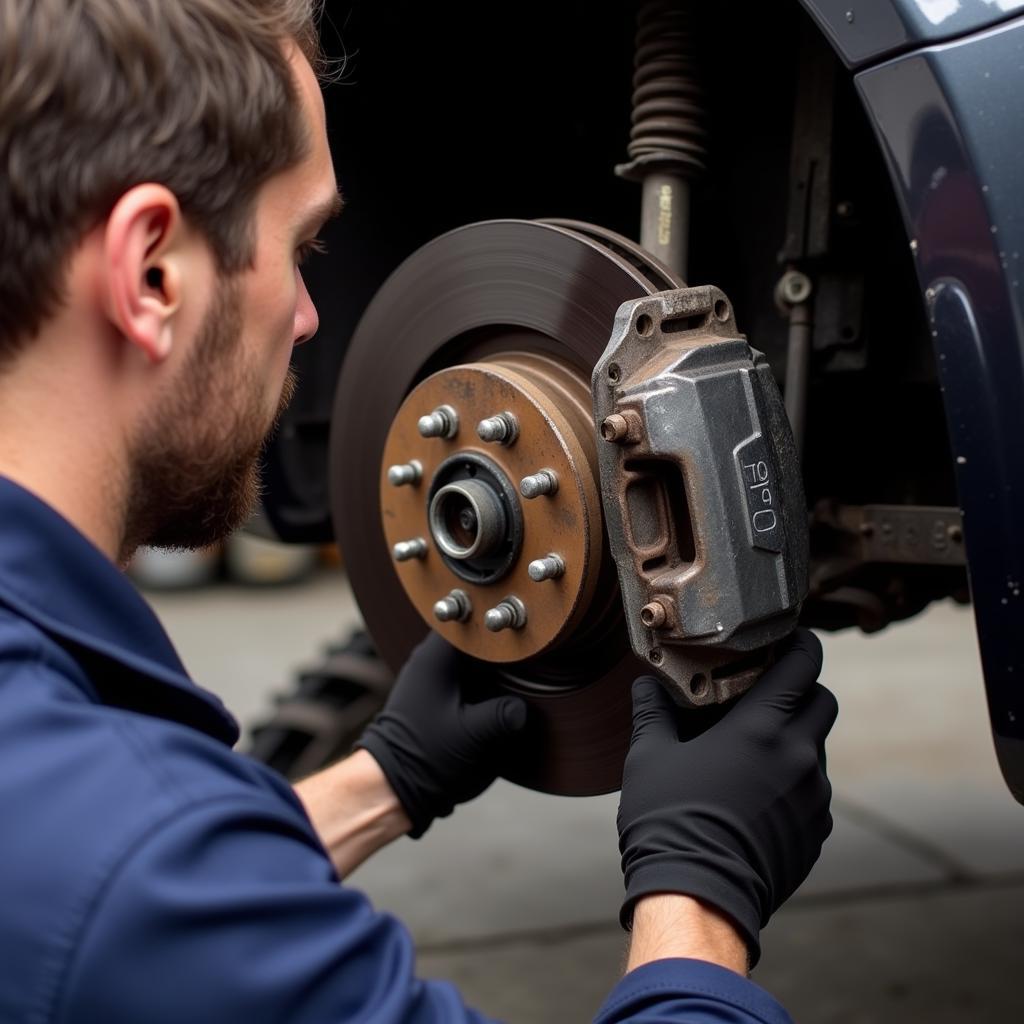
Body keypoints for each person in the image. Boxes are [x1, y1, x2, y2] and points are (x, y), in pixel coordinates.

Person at [0, 1, 837, 1021]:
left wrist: (384, 779)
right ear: (152, 272)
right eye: (303, 249)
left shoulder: (67, 804)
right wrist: (699, 896)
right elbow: (128, 900)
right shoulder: (126, 866)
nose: (312, 319)